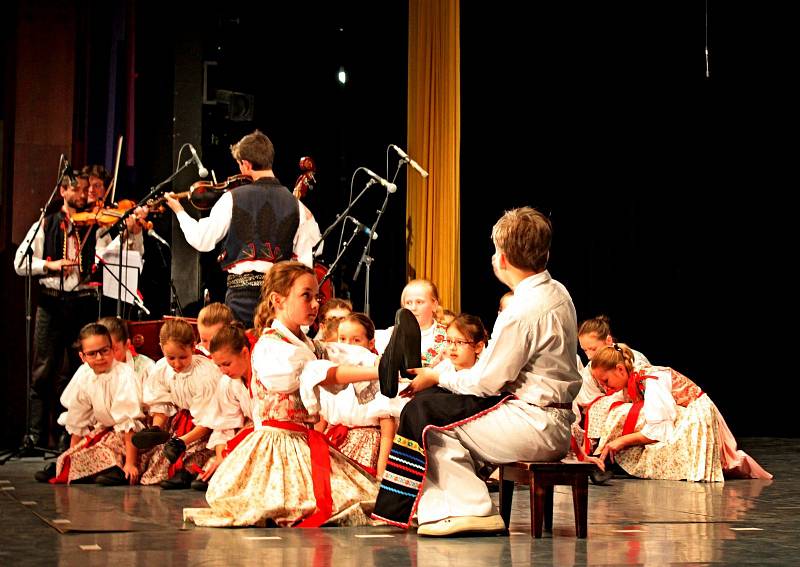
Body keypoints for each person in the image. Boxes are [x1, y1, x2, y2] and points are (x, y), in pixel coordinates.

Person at [372, 207, 582, 536]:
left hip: (534, 424)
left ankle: (471, 508)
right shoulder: (557, 291)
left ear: (502, 259)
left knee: (426, 420)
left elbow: (487, 381)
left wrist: (438, 376)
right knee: (432, 403)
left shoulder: (522, 310)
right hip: (548, 417)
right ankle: (452, 505)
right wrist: (438, 377)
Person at [183, 261, 381, 527]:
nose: (314, 304)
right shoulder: (271, 347)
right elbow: (322, 371)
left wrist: (379, 361)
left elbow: (341, 353)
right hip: (276, 445)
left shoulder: (307, 344)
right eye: (306, 296)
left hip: (302, 443)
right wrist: (378, 371)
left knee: (360, 497)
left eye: (317, 297)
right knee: (289, 503)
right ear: (278, 300)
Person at [13, 175, 137, 451]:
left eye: (86, 190)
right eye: (78, 190)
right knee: (43, 370)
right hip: (51, 301)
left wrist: (131, 230)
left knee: (77, 370)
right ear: (63, 191)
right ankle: (34, 435)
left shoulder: (93, 226)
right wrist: (50, 265)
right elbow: (19, 263)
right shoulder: (45, 224)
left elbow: (115, 252)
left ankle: (66, 437)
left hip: (81, 301)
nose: (84, 194)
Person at [164, 130, 321, 328]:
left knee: (242, 353)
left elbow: (202, 240)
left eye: (239, 164)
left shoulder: (232, 198)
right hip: (280, 300)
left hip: (241, 298)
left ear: (246, 164)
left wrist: (179, 211)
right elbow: (305, 263)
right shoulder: (296, 206)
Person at [584, 343, 771, 481]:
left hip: (696, 414)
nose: (605, 386)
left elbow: (659, 429)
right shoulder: (631, 382)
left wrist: (621, 441)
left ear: (620, 369)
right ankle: (603, 462)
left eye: (606, 381)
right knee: (616, 411)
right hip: (679, 414)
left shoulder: (650, 378)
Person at [38, 323, 144, 485]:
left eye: (104, 351)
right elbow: (79, 418)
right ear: (83, 357)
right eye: (92, 354)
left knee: (108, 447)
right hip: (104, 430)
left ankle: (117, 468)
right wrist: (72, 454)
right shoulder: (84, 375)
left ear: (112, 349)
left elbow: (129, 425)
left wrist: (131, 463)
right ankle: (72, 467)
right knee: (80, 452)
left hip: (128, 437)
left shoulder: (123, 374)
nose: (100, 358)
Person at [136, 319, 221, 489]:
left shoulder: (205, 374)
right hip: (181, 418)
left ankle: (190, 471)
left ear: (193, 346)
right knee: (154, 459)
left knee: (195, 449)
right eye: (171, 358)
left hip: (206, 426)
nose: (177, 364)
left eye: (183, 357)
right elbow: (161, 402)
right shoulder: (162, 369)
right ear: (161, 348)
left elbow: (209, 418)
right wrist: (157, 427)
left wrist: (182, 441)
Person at [318, 312, 401, 478]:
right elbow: (323, 420)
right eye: (342, 339)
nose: (348, 345)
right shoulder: (332, 371)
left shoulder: (377, 372)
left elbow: (387, 430)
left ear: (371, 343)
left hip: (366, 445)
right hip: (334, 442)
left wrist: (381, 474)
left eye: (356, 340)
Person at [191, 322, 255, 491]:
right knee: (221, 465)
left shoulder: (265, 375)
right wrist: (221, 456)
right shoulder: (228, 383)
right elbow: (224, 425)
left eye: (226, 364)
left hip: (270, 432)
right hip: (249, 431)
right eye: (218, 365)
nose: (223, 371)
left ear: (245, 353)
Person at [375, 279, 447, 368]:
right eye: (408, 303)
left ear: (434, 305)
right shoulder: (388, 335)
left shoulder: (449, 337)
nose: (413, 308)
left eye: (419, 302)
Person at [97, 316, 155, 396]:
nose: (107, 356)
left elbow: (156, 405)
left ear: (127, 344)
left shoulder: (146, 367)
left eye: (114, 349)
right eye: (103, 351)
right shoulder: (89, 369)